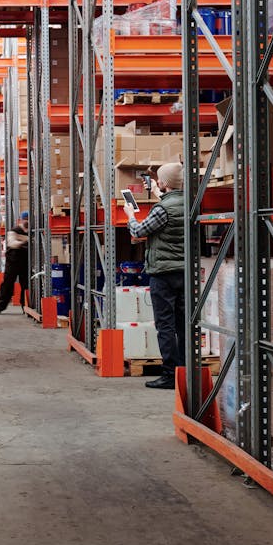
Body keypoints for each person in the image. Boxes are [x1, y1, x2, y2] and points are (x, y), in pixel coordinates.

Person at [122, 161, 185, 391]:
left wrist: (130, 215)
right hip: (184, 272)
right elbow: (172, 208)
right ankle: (185, 371)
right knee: (183, 324)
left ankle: (169, 374)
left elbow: (138, 231)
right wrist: (161, 193)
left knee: (165, 325)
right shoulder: (189, 202)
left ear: (164, 183)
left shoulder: (162, 210)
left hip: (163, 274)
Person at [0, 211, 29, 314]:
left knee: (26, 285)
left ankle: (25, 305)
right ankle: (1, 305)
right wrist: (24, 241)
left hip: (25, 262)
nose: (27, 221)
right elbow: (12, 243)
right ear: (21, 219)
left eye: (29, 219)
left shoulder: (31, 231)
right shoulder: (14, 231)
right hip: (13, 262)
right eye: (26, 219)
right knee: (8, 283)